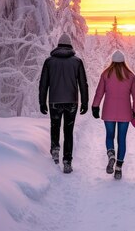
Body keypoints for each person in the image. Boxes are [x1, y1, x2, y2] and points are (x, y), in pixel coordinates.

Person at [39, 33, 89, 174]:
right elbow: (83, 84)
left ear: (58, 45)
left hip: (54, 101)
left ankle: (55, 150)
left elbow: (43, 84)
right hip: (71, 102)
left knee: (54, 126)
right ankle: (67, 161)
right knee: (68, 132)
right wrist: (84, 102)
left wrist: (42, 102)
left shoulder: (49, 62)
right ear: (70, 45)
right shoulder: (77, 62)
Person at [92, 50, 135, 180]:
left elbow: (99, 93)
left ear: (112, 61)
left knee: (109, 136)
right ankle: (118, 168)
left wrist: (95, 106)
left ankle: (111, 154)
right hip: (125, 113)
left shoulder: (105, 74)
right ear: (124, 61)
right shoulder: (130, 76)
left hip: (108, 112)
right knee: (121, 139)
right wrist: (134, 111)